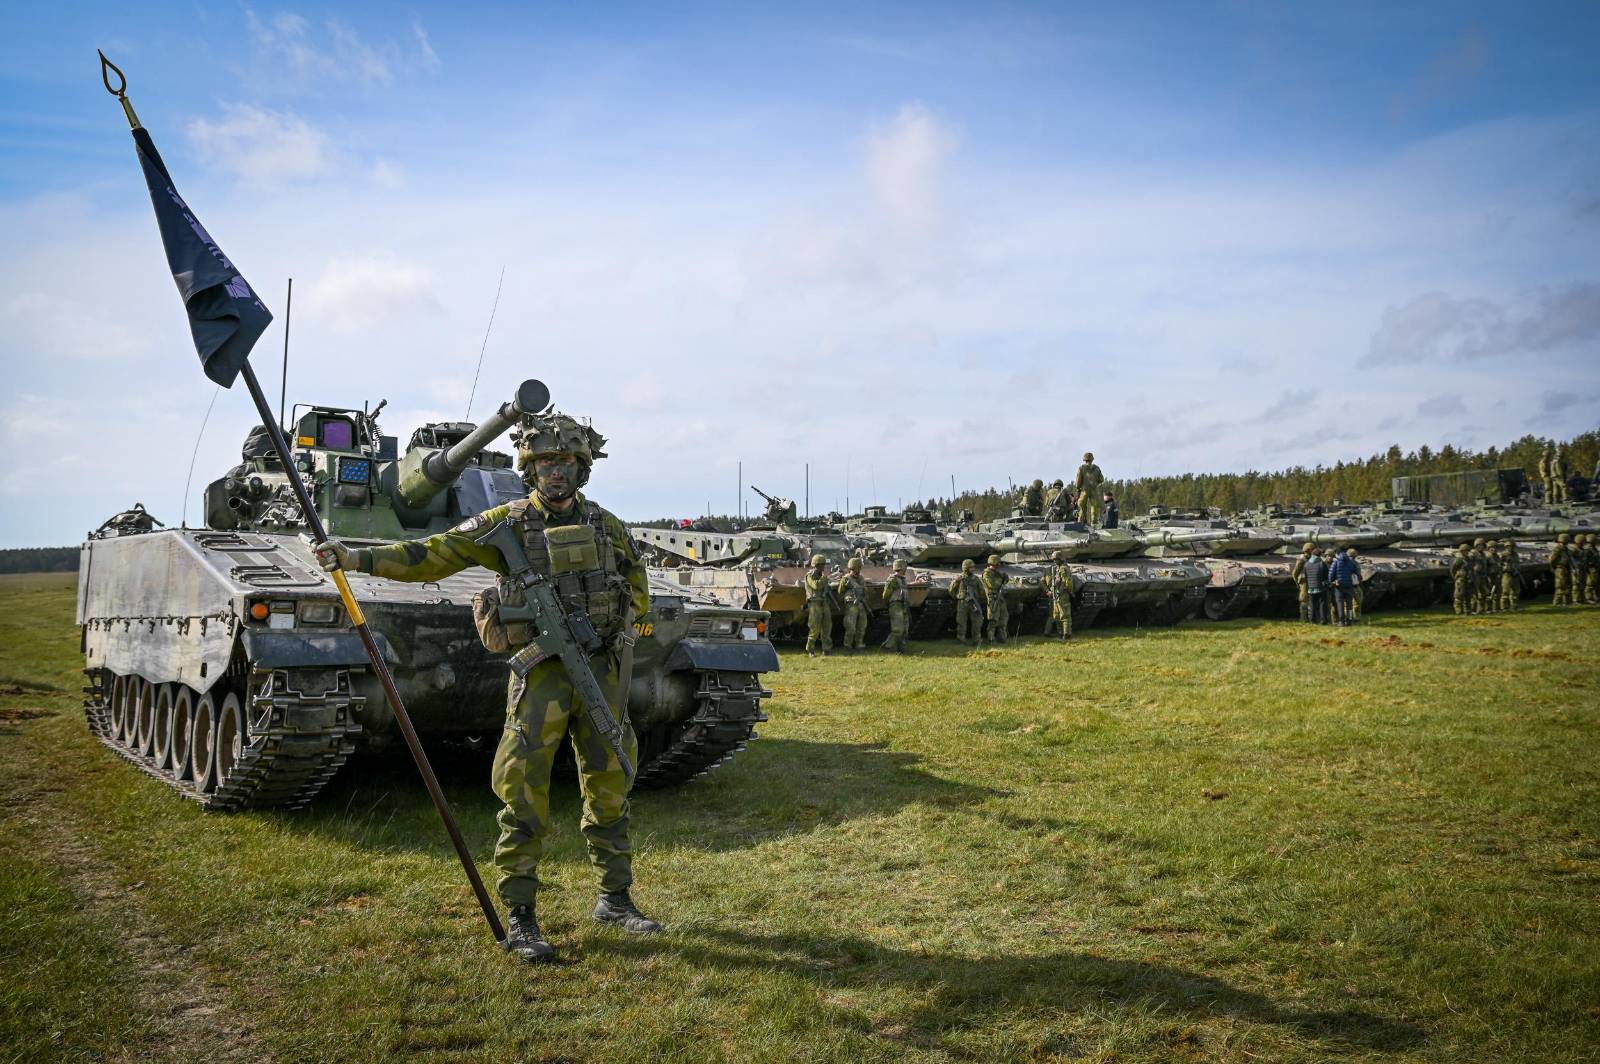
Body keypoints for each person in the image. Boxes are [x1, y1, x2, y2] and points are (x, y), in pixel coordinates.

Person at [313, 411, 657, 964]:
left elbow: (636, 584)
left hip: (601, 673)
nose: (557, 472)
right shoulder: (507, 524)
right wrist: (357, 558)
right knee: (523, 792)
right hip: (542, 679)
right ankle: (521, 913)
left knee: (611, 781)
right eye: (546, 461)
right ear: (530, 467)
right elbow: (431, 556)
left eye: (567, 461)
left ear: (582, 468)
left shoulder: (607, 526)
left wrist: (619, 624)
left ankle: (615, 898)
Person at [836, 556, 870, 651]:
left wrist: (864, 597)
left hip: (861, 604)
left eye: (859, 568)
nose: (858, 570)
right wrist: (846, 601)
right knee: (850, 627)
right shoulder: (846, 579)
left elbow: (865, 591)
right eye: (857, 568)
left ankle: (859, 644)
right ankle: (847, 645)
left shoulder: (861, 578)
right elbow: (840, 592)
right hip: (851, 604)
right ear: (852, 568)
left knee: (862, 626)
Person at [950, 558, 985, 645]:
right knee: (961, 622)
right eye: (971, 567)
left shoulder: (976, 579)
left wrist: (979, 599)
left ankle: (976, 639)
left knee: (977, 621)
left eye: (973, 567)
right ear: (966, 568)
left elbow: (982, 591)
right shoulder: (959, 579)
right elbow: (951, 590)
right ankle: (961, 638)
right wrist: (958, 597)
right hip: (962, 603)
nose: (973, 569)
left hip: (974, 602)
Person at [804, 554, 834, 655]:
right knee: (814, 627)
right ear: (816, 565)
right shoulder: (810, 575)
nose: (823, 567)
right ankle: (810, 649)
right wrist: (825, 578)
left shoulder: (821, 575)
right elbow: (816, 585)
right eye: (821, 565)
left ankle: (826, 649)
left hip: (824, 602)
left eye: (823, 565)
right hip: (815, 603)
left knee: (827, 626)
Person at [881, 559, 911, 652]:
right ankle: (887, 646)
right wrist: (891, 603)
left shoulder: (903, 579)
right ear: (901, 568)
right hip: (896, 604)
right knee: (898, 629)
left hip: (904, 604)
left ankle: (901, 648)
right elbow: (886, 595)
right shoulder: (892, 579)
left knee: (905, 628)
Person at [1044, 549, 1074, 640]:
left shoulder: (1063, 568)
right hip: (1057, 594)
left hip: (1062, 594)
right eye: (1054, 560)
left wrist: (1068, 591)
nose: (1054, 561)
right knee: (1056, 615)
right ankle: (1061, 633)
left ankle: (1067, 635)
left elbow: (1067, 582)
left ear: (1060, 559)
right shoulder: (1058, 568)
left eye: (1056, 559)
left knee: (1065, 615)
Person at [981, 553, 1010, 643]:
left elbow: (1004, 580)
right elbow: (992, 585)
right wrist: (1002, 580)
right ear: (993, 563)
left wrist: (1005, 578)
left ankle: (1002, 638)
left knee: (1004, 618)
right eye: (997, 564)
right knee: (993, 619)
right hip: (993, 599)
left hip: (1000, 598)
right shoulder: (986, 573)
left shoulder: (997, 573)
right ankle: (991, 639)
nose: (998, 566)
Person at [1326, 544, 1358, 625]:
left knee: (1340, 605)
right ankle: (1350, 620)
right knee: (1349, 605)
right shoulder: (1351, 562)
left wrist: (1332, 582)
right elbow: (1356, 573)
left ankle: (1341, 621)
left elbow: (1330, 575)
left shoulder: (1336, 562)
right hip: (1349, 586)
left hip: (1339, 587)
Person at [1075, 452, 1104, 525]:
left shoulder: (1081, 468)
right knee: (1094, 507)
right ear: (1092, 459)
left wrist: (1078, 487)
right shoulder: (1097, 468)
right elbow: (1101, 479)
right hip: (1094, 490)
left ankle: (1080, 523)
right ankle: (1094, 523)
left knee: (1082, 507)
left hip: (1084, 490)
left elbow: (1078, 481)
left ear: (1084, 459)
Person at [1303, 546, 1329, 624]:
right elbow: (1326, 576)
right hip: (1321, 588)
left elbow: (1306, 577)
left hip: (1311, 588)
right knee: (1322, 604)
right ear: (1319, 555)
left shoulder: (1306, 564)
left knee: (1312, 604)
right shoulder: (1322, 563)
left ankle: (1312, 620)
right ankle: (1323, 620)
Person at [1290, 543, 1314, 622]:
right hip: (1304, 583)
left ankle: (1311, 618)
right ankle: (1303, 619)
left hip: (1311, 582)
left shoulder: (1312, 559)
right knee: (1304, 601)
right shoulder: (1301, 560)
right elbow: (1294, 573)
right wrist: (1297, 583)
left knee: (1311, 601)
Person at [1550, 534, 1573, 606]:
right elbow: (1552, 560)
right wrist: (1554, 568)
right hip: (1560, 568)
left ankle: (1567, 602)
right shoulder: (1557, 549)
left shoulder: (1565, 549)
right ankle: (1557, 602)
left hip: (1566, 568)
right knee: (1560, 585)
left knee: (1567, 585)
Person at [1450, 543, 1472, 615]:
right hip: (1461, 579)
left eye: (1467, 551)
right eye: (1464, 551)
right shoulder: (1459, 559)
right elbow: (1453, 569)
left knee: (1468, 596)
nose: (1466, 552)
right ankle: (1459, 611)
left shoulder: (1468, 559)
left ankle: (1468, 611)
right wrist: (1456, 577)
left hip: (1468, 579)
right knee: (1459, 596)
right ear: (1461, 551)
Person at [1499, 540, 1521, 612]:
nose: (1510, 548)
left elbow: (1517, 563)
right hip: (1507, 574)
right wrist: (1504, 568)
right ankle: (1505, 607)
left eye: (1511, 546)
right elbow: (1499, 564)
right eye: (1508, 546)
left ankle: (1515, 606)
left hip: (1515, 574)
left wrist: (1517, 569)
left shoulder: (1515, 554)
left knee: (1515, 591)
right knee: (1505, 591)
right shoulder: (1503, 554)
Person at [1345, 547, 1365, 621]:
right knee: (1355, 602)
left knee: (1351, 603)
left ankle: (1350, 617)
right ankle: (1353, 617)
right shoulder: (1352, 563)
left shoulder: (1345, 563)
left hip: (1350, 585)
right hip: (1353, 585)